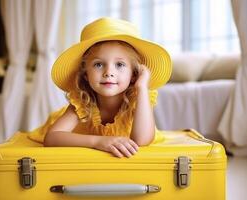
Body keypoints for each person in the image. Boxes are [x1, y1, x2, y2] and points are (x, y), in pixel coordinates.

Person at [28, 17, 172, 158]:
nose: (108, 72)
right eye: (98, 64)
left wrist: (141, 87)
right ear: (85, 74)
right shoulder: (82, 102)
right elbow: (52, 138)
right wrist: (98, 141)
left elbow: (141, 140)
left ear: (134, 74)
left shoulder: (138, 97)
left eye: (120, 65)